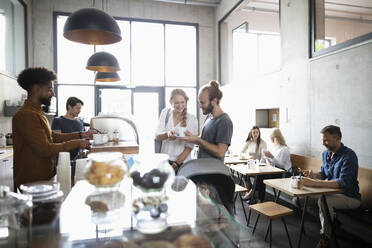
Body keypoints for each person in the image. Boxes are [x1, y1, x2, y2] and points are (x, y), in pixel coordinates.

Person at [12, 67, 95, 188]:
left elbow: (52, 136)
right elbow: (45, 149)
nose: (53, 94)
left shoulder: (37, 112)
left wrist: (81, 135)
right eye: (49, 89)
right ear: (36, 89)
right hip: (33, 182)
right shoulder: (26, 115)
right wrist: (77, 142)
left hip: (43, 177)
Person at [302, 125, 361, 248]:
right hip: (332, 193)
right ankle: (332, 224)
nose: (323, 143)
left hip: (349, 196)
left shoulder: (349, 156)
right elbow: (323, 174)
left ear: (338, 139)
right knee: (299, 199)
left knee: (323, 200)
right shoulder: (326, 154)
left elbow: (342, 182)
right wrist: (313, 175)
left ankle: (325, 237)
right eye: (323, 140)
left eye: (326, 140)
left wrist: (315, 183)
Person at [182, 80, 233, 161]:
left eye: (202, 102)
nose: (200, 106)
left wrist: (198, 140)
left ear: (214, 101)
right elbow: (205, 141)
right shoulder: (209, 117)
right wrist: (192, 138)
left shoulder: (224, 121)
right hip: (204, 169)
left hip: (214, 172)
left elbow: (220, 152)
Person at [155, 89, 198, 172]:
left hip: (182, 164)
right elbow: (157, 136)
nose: (180, 105)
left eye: (182, 102)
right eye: (176, 103)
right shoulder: (165, 113)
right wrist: (167, 135)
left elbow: (189, 147)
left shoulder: (192, 119)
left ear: (186, 102)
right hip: (165, 162)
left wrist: (176, 164)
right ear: (171, 102)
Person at [251, 128, 292, 202]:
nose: (270, 139)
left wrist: (271, 156)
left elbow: (281, 165)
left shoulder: (284, 149)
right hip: (275, 171)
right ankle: (257, 198)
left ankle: (255, 196)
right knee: (259, 174)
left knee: (260, 175)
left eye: (271, 137)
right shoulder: (275, 147)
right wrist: (267, 156)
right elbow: (273, 162)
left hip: (282, 174)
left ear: (275, 138)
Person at [52, 97, 85, 181]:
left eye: (80, 108)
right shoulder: (57, 121)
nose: (79, 110)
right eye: (77, 108)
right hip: (63, 161)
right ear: (69, 107)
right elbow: (56, 140)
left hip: (78, 161)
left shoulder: (80, 121)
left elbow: (83, 138)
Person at [241, 126, 267, 200]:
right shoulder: (249, 142)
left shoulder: (263, 143)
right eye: (254, 132)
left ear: (259, 133)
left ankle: (250, 195)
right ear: (251, 133)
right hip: (250, 165)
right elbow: (241, 152)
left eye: (257, 132)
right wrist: (248, 157)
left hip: (259, 166)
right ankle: (249, 193)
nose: (255, 134)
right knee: (244, 174)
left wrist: (257, 163)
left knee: (259, 177)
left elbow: (263, 157)